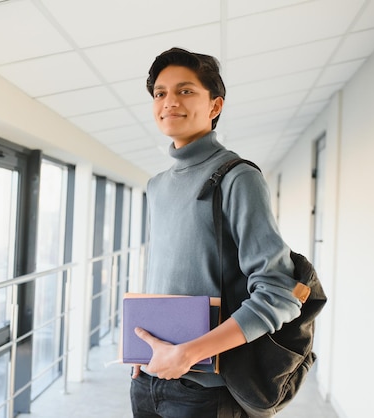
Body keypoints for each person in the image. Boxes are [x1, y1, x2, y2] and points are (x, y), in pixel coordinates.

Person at [129, 47, 303, 418]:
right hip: (148, 376)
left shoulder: (237, 178)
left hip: (205, 390)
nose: (169, 101)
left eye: (185, 91)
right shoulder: (157, 185)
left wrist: (188, 354)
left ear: (215, 106)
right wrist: (141, 355)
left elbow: (279, 293)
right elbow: (168, 277)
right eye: (160, 93)